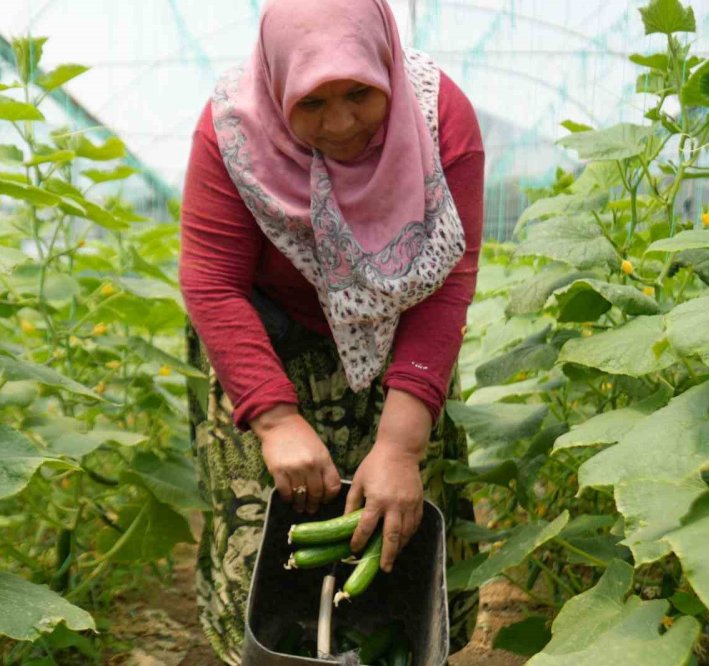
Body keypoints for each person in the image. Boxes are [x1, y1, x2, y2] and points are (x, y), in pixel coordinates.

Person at [179, 0, 484, 662]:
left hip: (401, 341)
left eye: (360, 94)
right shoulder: (232, 129)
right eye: (312, 103)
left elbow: (448, 282)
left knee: (398, 520)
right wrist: (273, 419)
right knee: (267, 531)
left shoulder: (439, 118)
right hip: (268, 337)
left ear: (387, 70)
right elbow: (212, 282)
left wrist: (401, 446)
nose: (342, 123)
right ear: (276, 86)